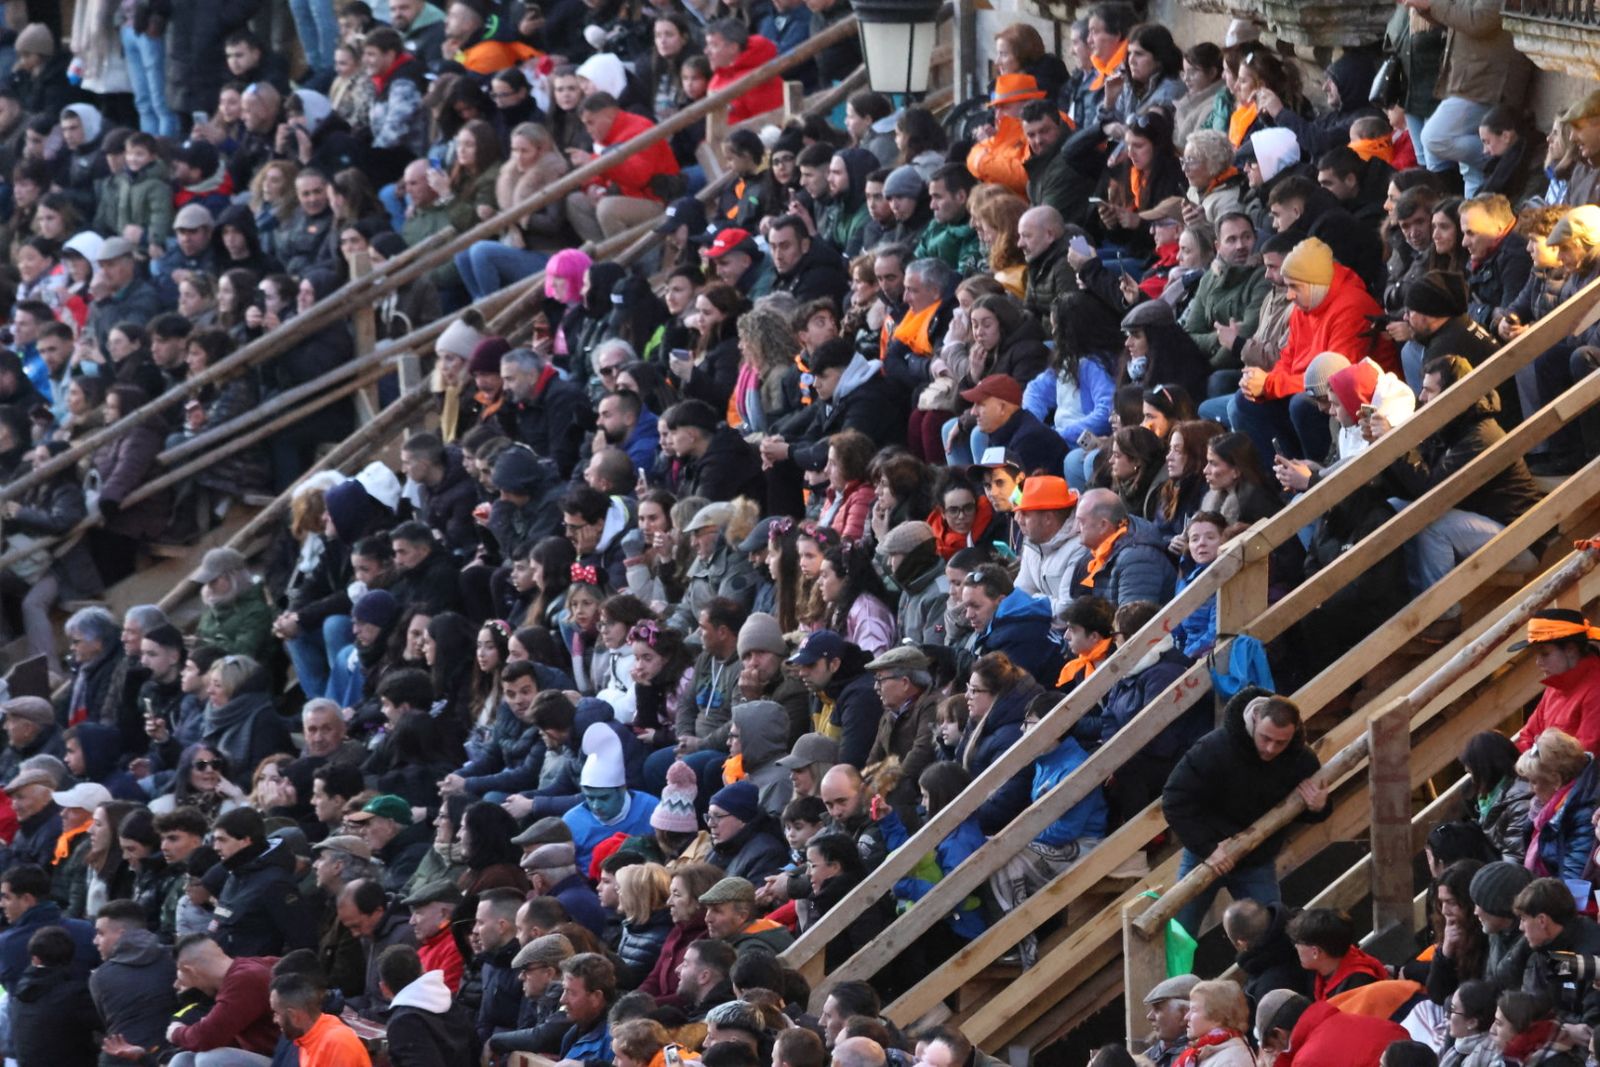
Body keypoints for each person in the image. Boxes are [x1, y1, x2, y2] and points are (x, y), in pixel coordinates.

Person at [1163, 688, 1330, 935]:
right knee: (1180, 933)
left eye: (1280, 742)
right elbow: (1174, 800)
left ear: (1293, 735)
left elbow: (1310, 810)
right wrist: (1208, 848)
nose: (1271, 748)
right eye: (1265, 738)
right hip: (1205, 854)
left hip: (1256, 860)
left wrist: (1319, 806)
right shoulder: (1213, 748)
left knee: (1273, 932)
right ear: (1254, 721)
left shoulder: (1300, 759)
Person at [1509, 610, 1600, 756]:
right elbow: (1529, 736)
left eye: (1545, 653)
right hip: (1547, 773)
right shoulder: (1555, 685)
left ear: (1570, 649)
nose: (1538, 662)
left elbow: (1584, 756)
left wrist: (1534, 760)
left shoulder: (1596, 689)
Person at [1142, 974, 1199, 1067]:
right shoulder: (1149, 1055)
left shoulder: (1200, 1056)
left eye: (1158, 1009)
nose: (1149, 1016)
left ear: (1184, 1014)